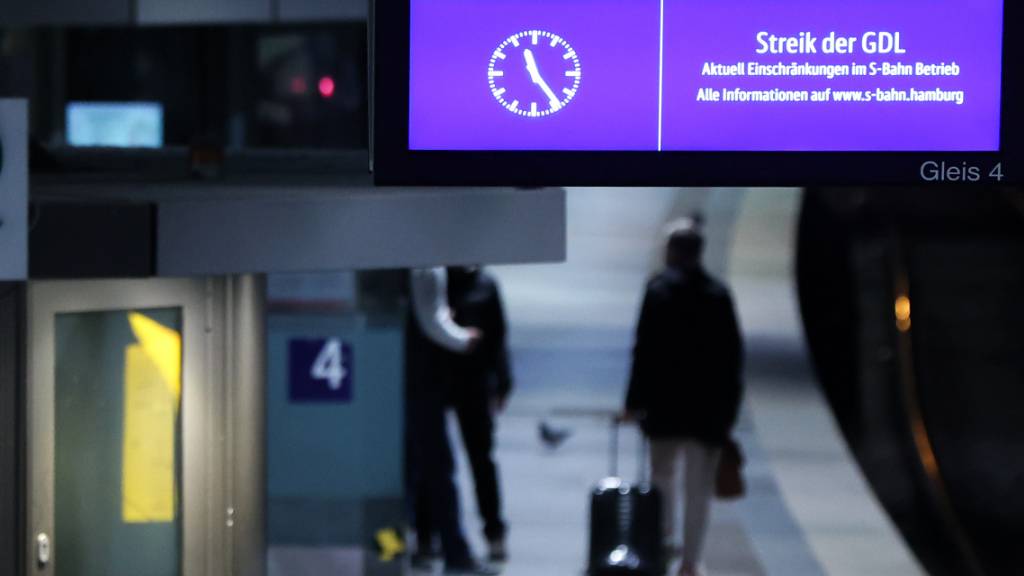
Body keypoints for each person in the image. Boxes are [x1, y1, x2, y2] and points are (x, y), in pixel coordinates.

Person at [622, 217, 744, 576]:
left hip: (664, 410)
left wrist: (633, 402)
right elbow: (732, 358)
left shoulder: (658, 292)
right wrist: (728, 413)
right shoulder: (718, 296)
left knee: (662, 481)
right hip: (707, 414)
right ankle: (690, 562)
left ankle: (661, 544)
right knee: (698, 492)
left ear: (672, 252)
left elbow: (643, 352)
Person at [406, 267, 498, 575]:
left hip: (423, 382)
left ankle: (417, 546)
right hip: (423, 383)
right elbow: (433, 319)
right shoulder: (426, 267)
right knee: (433, 470)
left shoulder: (424, 265)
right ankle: (447, 549)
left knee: (423, 471)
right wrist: (463, 340)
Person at [446, 266, 514, 562]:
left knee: (481, 460)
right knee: (431, 462)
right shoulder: (435, 277)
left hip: (475, 380)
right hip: (437, 378)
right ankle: (426, 533)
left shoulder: (484, 284)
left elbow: (498, 337)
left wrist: (502, 380)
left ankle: (494, 532)